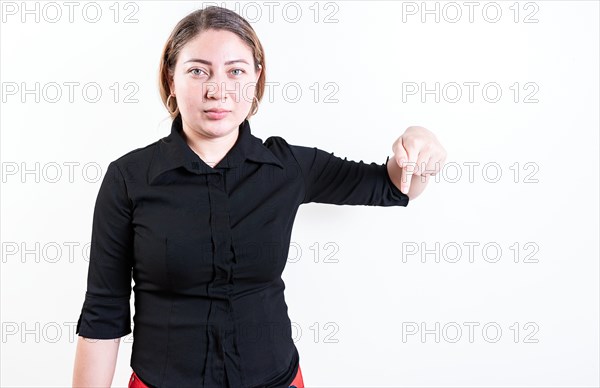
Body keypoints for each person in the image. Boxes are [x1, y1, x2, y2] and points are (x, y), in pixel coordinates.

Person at [72, 5, 447, 388]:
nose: (217, 90)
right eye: (198, 70)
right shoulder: (128, 178)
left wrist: (419, 144)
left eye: (235, 71)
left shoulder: (287, 167)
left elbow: (391, 185)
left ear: (256, 78)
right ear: (172, 78)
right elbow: (104, 312)